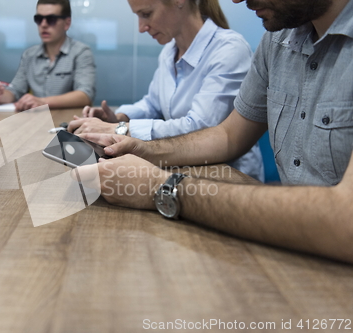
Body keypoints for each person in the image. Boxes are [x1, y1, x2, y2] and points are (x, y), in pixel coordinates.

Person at [76, 0, 353, 264]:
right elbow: (227, 136)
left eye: (146, 14)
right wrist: (140, 148)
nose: (235, 1)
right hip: (291, 250)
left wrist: (160, 187)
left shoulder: (230, 48)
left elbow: (344, 219)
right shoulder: (278, 40)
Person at [67, 0, 264, 181]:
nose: (141, 28)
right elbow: (153, 103)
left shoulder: (229, 50)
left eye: (146, 14)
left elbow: (200, 129)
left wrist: (122, 129)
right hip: (184, 169)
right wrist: (118, 116)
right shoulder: (169, 51)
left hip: (229, 178)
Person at [0, 0, 96, 111]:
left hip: (68, 122)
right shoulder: (29, 55)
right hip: (36, 120)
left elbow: (85, 95)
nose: (43, 24)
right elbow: (15, 91)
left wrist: (42, 102)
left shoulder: (81, 52)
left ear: (67, 23)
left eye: (51, 19)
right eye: (39, 19)